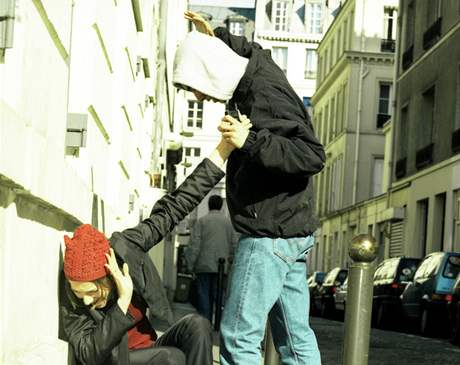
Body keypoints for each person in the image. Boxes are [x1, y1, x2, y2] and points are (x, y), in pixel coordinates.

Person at [173, 11, 326, 365]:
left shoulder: (264, 96)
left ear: (210, 69)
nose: (197, 96)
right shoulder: (250, 70)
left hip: (269, 233)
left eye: (195, 84)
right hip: (286, 229)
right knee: (294, 339)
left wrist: (250, 141)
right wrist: (216, 38)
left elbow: (311, 155)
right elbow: (251, 49)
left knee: (239, 338)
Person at [59, 136, 251, 365]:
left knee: (198, 326)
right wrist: (122, 301)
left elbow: (171, 210)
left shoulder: (126, 246)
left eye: (91, 291)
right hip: (115, 360)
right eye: (80, 293)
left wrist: (223, 149)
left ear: (107, 272)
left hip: (149, 349)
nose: (87, 301)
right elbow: (88, 354)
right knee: (171, 358)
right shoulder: (73, 295)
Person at [185, 194, 238, 322]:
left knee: (203, 295)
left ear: (209, 205)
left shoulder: (202, 221)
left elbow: (194, 245)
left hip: (203, 265)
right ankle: (219, 322)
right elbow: (234, 244)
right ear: (221, 206)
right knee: (219, 295)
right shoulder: (228, 223)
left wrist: (190, 265)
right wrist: (231, 261)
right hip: (222, 266)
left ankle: (205, 323)